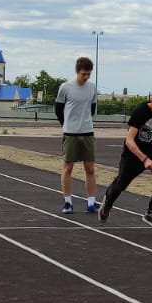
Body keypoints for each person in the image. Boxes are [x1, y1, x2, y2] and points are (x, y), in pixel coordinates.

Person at [98, 90, 152, 229]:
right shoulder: (141, 111)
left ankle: (151, 212)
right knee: (122, 182)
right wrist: (144, 159)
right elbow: (129, 140)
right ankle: (108, 202)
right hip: (133, 151)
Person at [54, 56, 99, 214]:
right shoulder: (66, 87)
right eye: (83, 74)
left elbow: (92, 108)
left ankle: (91, 202)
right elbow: (58, 109)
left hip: (87, 132)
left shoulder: (92, 87)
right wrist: (66, 124)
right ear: (77, 71)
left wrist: (85, 121)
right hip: (71, 133)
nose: (86, 77)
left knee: (90, 168)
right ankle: (68, 202)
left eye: (88, 74)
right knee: (68, 168)